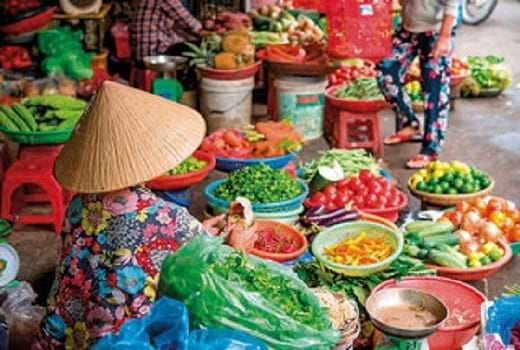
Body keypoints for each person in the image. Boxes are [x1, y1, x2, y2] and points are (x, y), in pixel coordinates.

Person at [32, 82, 207, 349]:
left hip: (67, 332)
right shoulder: (167, 217)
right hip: (125, 339)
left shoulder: (78, 205)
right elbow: (208, 251)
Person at [377, 0, 459, 168]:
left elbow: (452, 4)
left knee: (434, 91)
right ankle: (410, 123)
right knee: (385, 72)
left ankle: (430, 149)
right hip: (408, 29)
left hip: (436, 31)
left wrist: (444, 37)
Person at [130, 0, 202, 62]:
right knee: (198, 49)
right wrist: (202, 27)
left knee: (187, 43)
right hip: (154, 52)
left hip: (142, 51)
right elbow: (187, 21)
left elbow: (177, 27)